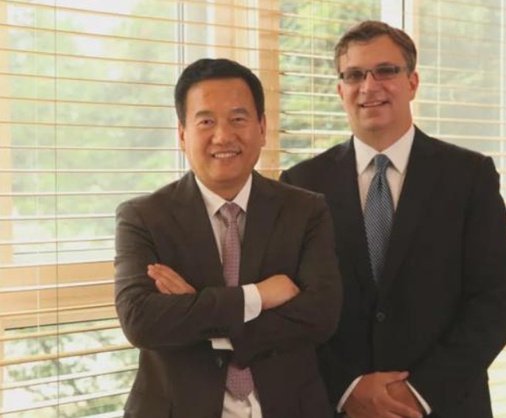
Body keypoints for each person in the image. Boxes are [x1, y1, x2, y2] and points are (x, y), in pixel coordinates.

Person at [280, 20, 506, 418]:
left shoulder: (469, 177)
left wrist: (416, 394)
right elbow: (291, 309)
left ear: (412, 82)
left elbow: (494, 305)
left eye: (385, 71)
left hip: (445, 406)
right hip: (340, 407)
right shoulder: (301, 184)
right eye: (354, 75)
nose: (369, 86)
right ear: (340, 90)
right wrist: (347, 389)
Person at [114, 58, 341, 418]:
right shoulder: (143, 217)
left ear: (262, 128)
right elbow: (141, 321)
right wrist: (257, 296)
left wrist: (198, 311)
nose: (223, 136)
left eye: (238, 119)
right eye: (206, 121)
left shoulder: (306, 210)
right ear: (182, 134)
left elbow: (321, 315)